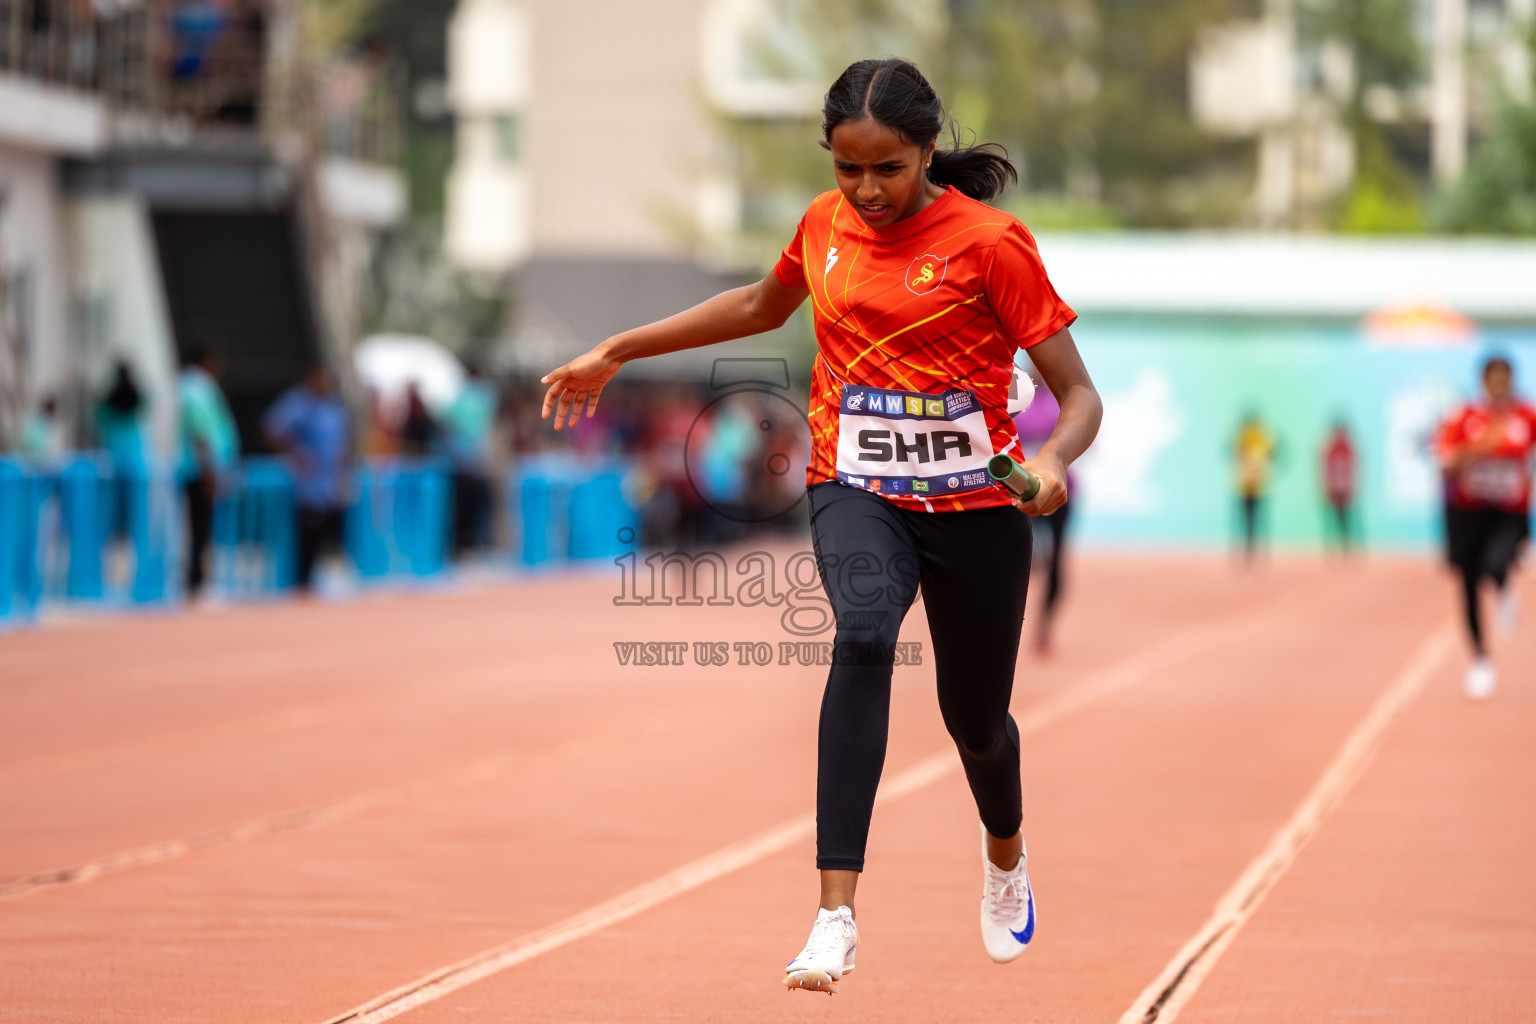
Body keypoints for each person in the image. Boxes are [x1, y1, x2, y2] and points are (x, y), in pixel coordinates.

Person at [539, 58, 1100, 991]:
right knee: (866, 634)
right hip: (854, 484)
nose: (866, 191)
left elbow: (1078, 395)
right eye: (848, 169)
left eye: (888, 169)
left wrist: (1048, 465)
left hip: (975, 507)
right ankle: (834, 916)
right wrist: (618, 349)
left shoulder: (992, 243)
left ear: (928, 152)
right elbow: (760, 304)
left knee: (978, 725)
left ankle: (1005, 854)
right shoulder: (821, 224)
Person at [1434, 356, 1536, 699]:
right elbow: (1445, 463)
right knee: (1467, 584)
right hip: (1469, 512)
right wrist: (1481, 448)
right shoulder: (1465, 418)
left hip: (1510, 513)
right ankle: (1480, 660)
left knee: (1496, 563)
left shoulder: (1526, 417)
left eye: (1504, 379)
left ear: (1511, 381)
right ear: (1483, 382)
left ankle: (1505, 585)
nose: (1499, 385)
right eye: (1492, 379)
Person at [263, 364, 351, 594]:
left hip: (329, 482)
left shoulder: (332, 407)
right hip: (307, 483)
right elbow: (272, 429)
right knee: (305, 531)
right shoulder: (298, 403)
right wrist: (295, 452)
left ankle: (313, 578)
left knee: (325, 532)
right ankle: (299, 580)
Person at [1014, 364, 1073, 655]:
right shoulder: (1017, 401)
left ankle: (1044, 625)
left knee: (1056, 562)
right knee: (1022, 559)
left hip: (1058, 490)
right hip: (1019, 490)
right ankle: (1015, 624)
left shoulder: (1063, 403)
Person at [178, 348, 239, 597]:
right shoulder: (197, 388)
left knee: (199, 524)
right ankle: (195, 580)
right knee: (199, 525)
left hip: (200, 467)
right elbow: (200, 432)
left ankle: (197, 577)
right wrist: (209, 470)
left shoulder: (191, 386)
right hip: (200, 468)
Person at [1233, 412, 1278, 564]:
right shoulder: (1260, 436)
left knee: (1248, 521)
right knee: (1254, 521)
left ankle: (1251, 552)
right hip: (1252, 485)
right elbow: (1274, 453)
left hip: (1250, 485)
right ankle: (1254, 552)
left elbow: (1233, 453)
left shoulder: (1246, 437)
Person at [1320, 420, 1357, 556]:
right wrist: (1325, 487)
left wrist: (1353, 487)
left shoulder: (1348, 446)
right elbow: (1325, 468)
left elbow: (1353, 468)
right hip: (1333, 489)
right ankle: (1332, 548)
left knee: (1346, 520)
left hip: (1345, 489)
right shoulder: (1330, 446)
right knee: (1332, 521)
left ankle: (1346, 547)